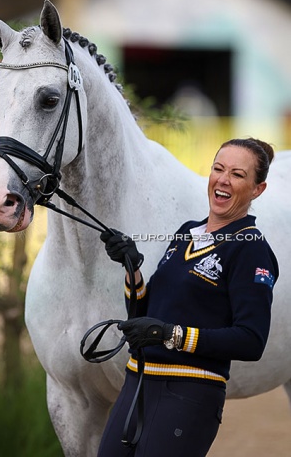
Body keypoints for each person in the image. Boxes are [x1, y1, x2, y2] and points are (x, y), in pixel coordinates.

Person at [98, 137, 279, 457]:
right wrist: (131, 267)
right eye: (218, 169)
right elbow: (145, 309)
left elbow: (251, 340)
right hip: (137, 384)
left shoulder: (251, 248)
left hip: (188, 395)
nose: (223, 179)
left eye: (238, 174)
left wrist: (173, 335)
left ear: (257, 190)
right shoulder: (187, 233)